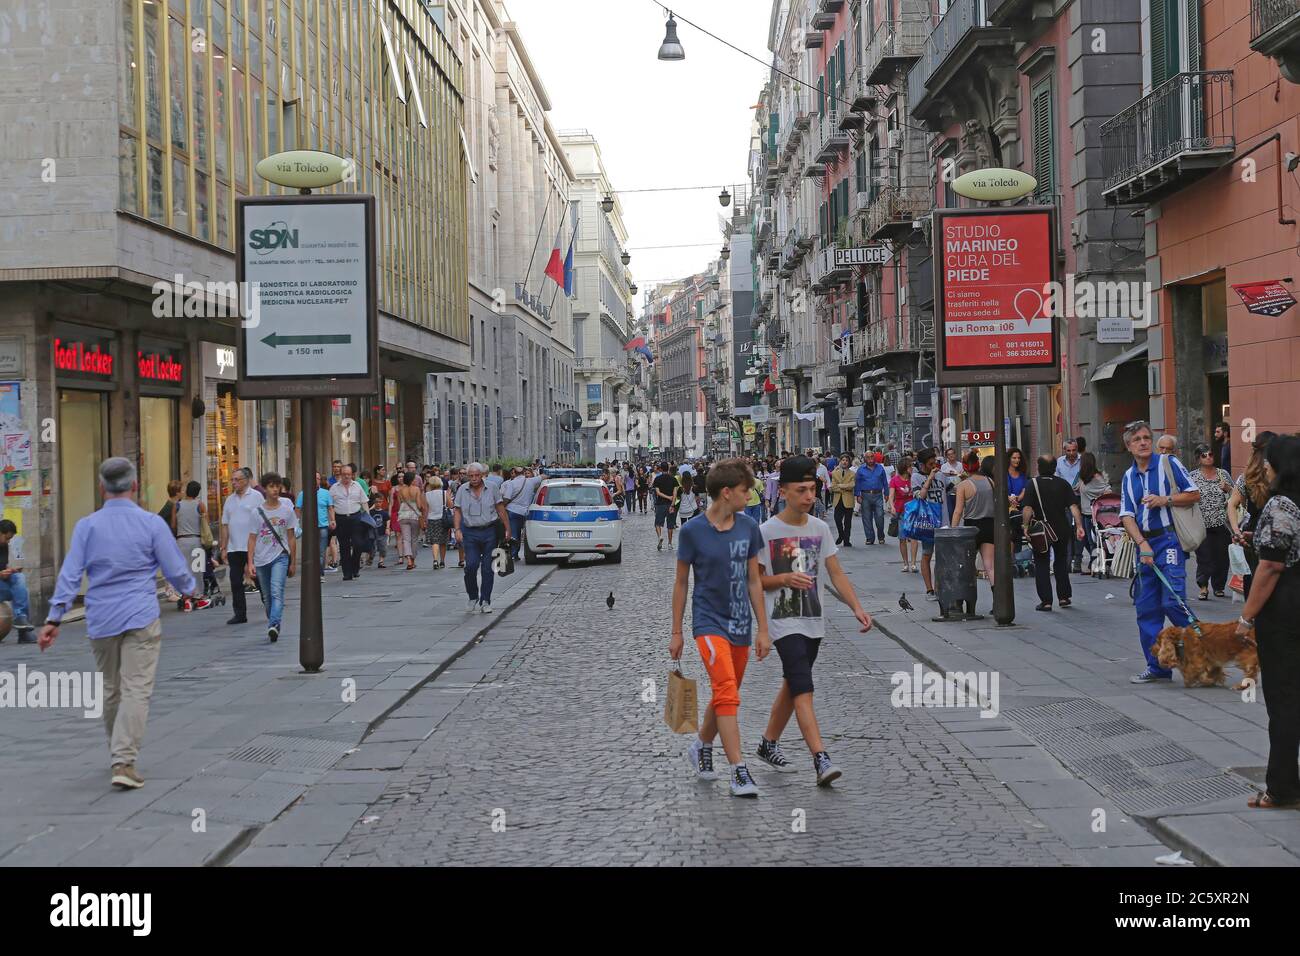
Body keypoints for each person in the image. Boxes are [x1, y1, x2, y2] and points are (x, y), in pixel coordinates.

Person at [39, 458, 197, 790]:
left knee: (112, 689)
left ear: (102, 488)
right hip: (140, 614)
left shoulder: (87, 526)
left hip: (101, 617)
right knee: (136, 688)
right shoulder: (150, 523)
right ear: (135, 486)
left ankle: (118, 752)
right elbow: (174, 567)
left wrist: (55, 617)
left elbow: (70, 574)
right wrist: (190, 590)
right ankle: (123, 760)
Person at [754, 455, 873, 787]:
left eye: (813, 489)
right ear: (784, 492)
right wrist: (783, 582)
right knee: (803, 686)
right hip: (782, 621)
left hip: (812, 620)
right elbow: (756, 582)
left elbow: (835, 573)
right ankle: (820, 758)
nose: (809, 496)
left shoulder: (820, 528)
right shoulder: (766, 531)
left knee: (794, 683)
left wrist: (857, 608)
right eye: (802, 490)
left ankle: (767, 743)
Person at [670, 458, 771, 798]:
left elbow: (754, 581)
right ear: (726, 493)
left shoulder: (748, 528)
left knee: (725, 693)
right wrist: (677, 631)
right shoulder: (692, 531)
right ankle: (739, 771)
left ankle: (701, 745)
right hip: (708, 622)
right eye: (745, 490)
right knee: (727, 689)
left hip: (741, 623)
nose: (750, 495)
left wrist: (762, 629)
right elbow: (682, 583)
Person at [1235, 435, 1300, 808]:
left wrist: (1247, 617)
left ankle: (1282, 787)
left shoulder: (1280, 505)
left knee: (1284, 698)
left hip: (1286, 608)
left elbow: (1272, 565)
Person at [1118, 421, 1201, 684]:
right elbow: (1127, 515)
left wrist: (1165, 500)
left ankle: (1202, 650)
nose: (1143, 442)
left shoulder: (1169, 464)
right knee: (1146, 609)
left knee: (1173, 601)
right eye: (1137, 440)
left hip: (1168, 540)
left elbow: (1194, 494)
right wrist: (1142, 544)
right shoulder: (1128, 477)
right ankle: (1157, 667)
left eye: (1146, 438)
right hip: (1145, 545)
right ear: (1129, 446)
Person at [1020, 456, 1085, 612]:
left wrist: (1025, 525)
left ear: (1038, 467)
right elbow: (1073, 507)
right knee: (1061, 562)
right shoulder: (1062, 484)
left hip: (1041, 531)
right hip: (1062, 528)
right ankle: (1063, 596)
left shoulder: (1032, 484)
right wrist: (1079, 526)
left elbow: (1027, 508)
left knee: (1042, 563)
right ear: (1055, 467)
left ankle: (1046, 601)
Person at [244, 472, 297, 643]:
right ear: (265, 489)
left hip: (280, 556)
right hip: (261, 559)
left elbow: (291, 538)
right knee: (267, 597)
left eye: (277, 486)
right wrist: (250, 562)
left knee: (276, 591)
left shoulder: (287, 510)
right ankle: (273, 620)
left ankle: (274, 624)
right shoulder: (256, 513)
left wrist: (293, 562)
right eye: (271, 486)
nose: (275, 489)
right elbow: (252, 539)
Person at [452, 462, 511, 614]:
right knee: (470, 565)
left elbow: (500, 508)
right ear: (467, 476)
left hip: (489, 531)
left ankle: (485, 600)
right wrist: (457, 529)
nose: (474, 478)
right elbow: (457, 510)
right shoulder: (462, 490)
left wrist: (507, 528)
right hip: (470, 532)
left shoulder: (492, 488)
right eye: (470, 476)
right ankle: (473, 596)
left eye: (476, 475)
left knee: (487, 568)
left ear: (482, 475)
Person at [1228, 432, 1278, 599]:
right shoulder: (1278, 475)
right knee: (1273, 579)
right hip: (1275, 531)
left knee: (1253, 579)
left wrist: (1236, 531)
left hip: (1251, 533)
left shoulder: (1246, 477)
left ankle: (1252, 619)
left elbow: (1232, 504)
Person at [220, 467, 265, 624]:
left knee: (258, 578)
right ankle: (240, 613)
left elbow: (263, 519)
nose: (233, 483)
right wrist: (224, 547)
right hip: (234, 547)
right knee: (235, 581)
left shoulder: (256, 496)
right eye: (232, 480)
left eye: (236, 480)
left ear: (245, 480)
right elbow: (225, 524)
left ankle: (270, 606)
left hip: (252, 545)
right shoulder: (229, 500)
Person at [1190, 442, 1233, 600]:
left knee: (1221, 557)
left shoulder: (1223, 474)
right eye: (1204, 455)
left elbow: (1236, 495)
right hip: (1200, 523)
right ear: (1198, 459)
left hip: (1221, 522)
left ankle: (1219, 586)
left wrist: (1228, 489)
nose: (1208, 457)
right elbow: (1186, 496)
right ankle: (1203, 586)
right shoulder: (1193, 476)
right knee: (1204, 557)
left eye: (1210, 454)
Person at [952, 456, 999, 597]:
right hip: (990, 525)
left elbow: (958, 511)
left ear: (965, 468)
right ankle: (998, 600)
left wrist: (953, 530)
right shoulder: (991, 482)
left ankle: (967, 598)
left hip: (971, 527)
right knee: (990, 565)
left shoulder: (963, 486)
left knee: (967, 565)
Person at [911, 449, 949, 601]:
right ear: (922, 464)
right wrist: (929, 478)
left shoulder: (941, 475)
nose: (934, 466)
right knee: (927, 554)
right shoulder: (916, 477)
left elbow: (951, 489)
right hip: (927, 523)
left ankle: (940, 586)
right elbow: (920, 496)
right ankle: (929, 590)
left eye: (936, 463)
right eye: (930, 464)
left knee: (943, 557)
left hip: (943, 521)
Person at [174, 480, 217, 598]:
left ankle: (186, 596)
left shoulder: (177, 505)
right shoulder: (200, 505)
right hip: (196, 542)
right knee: (197, 571)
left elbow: (173, 525)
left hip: (181, 541)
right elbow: (206, 524)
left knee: (185, 571)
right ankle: (198, 596)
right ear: (198, 492)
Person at [329, 464, 368, 581]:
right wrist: (332, 520)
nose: (346, 476)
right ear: (341, 475)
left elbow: (364, 502)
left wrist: (368, 516)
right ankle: (347, 573)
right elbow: (330, 506)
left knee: (358, 544)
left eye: (348, 474)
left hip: (356, 518)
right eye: (344, 474)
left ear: (352, 475)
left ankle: (355, 567)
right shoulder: (334, 488)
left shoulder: (357, 486)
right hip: (341, 519)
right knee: (344, 546)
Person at [0, 519, 35, 641]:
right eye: (7, 538)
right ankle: (23, 632)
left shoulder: (4, 546)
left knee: (20, 579)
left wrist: (9, 571)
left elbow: (3, 565)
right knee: (21, 592)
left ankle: (21, 619)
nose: (8, 541)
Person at [295, 473, 334, 581]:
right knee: (310, 552)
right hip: (308, 528)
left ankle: (320, 574)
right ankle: (311, 574)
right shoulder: (303, 494)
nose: (316, 480)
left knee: (321, 552)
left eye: (317, 478)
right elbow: (298, 509)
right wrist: (296, 523)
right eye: (314, 478)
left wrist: (333, 520)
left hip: (323, 526)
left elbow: (330, 508)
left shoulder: (326, 493)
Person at [1077, 452, 1110, 575]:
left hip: (1093, 513)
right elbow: (1079, 489)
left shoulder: (1097, 478)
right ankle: (1096, 562)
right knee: (1085, 539)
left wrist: (1098, 500)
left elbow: (1107, 490)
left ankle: (1094, 565)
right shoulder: (1083, 477)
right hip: (1084, 512)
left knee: (1092, 540)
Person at [1055, 439, 1084, 572]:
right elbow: (1056, 478)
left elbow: (1088, 475)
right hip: (1064, 500)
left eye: (1074, 450)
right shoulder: (1059, 462)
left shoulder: (1082, 460)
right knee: (1066, 530)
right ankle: (1067, 561)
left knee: (1079, 530)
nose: (1071, 453)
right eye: (1068, 450)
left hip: (1079, 498)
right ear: (1064, 450)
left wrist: (1081, 485)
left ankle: (1078, 560)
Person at [888, 456, 918, 573]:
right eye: (910, 466)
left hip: (913, 510)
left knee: (914, 537)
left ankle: (914, 563)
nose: (912, 468)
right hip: (900, 511)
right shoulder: (894, 480)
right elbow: (891, 495)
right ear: (905, 468)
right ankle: (905, 563)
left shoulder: (913, 479)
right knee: (902, 538)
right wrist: (892, 506)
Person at [854, 451, 889, 546]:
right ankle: (870, 538)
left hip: (878, 495)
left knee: (880, 516)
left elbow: (885, 481)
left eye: (872, 457)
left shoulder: (880, 468)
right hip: (865, 495)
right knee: (866, 517)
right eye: (868, 457)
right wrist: (857, 495)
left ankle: (881, 536)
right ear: (865, 459)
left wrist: (886, 493)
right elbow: (857, 483)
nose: (870, 459)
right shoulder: (861, 469)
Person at [394, 471, 426, 571]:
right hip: (414, 515)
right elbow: (419, 505)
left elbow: (399, 504)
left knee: (406, 539)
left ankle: (408, 559)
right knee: (414, 538)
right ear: (412, 479)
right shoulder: (416, 489)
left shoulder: (400, 490)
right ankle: (413, 559)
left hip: (403, 515)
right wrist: (422, 512)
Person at [424, 476, 452, 569]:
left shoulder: (426, 495)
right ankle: (442, 561)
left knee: (434, 541)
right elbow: (451, 505)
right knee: (443, 541)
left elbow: (425, 509)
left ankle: (435, 560)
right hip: (443, 519)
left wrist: (425, 521)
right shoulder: (444, 493)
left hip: (431, 519)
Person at [827, 455, 855, 547]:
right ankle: (841, 534)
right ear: (840, 462)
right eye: (843, 460)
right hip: (838, 500)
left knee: (848, 522)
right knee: (837, 519)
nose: (844, 462)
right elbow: (833, 487)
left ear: (849, 462)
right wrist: (843, 487)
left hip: (848, 500)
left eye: (846, 460)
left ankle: (846, 540)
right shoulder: (835, 473)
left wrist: (841, 486)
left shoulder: (852, 473)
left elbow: (852, 485)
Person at [652, 462, 679, 551]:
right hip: (670, 505)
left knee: (658, 523)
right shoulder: (673, 479)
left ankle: (660, 536)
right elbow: (675, 493)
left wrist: (666, 497)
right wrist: (672, 502)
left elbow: (658, 493)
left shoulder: (657, 479)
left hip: (660, 504)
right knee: (670, 525)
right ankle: (670, 543)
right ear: (668, 468)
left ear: (660, 469)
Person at [367, 491, 390, 569]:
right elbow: (366, 515)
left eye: (380, 502)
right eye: (376, 502)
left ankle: (381, 561)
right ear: (374, 502)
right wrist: (371, 507)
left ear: (382, 502)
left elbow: (388, 520)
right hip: (372, 532)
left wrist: (387, 528)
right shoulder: (371, 512)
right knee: (372, 548)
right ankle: (371, 557)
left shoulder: (384, 513)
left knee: (383, 547)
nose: (378, 504)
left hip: (382, 532)